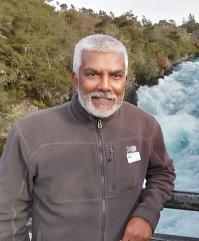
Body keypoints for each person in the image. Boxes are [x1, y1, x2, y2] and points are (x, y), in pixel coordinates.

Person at [0, 34, 175, 241]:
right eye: (92, 74)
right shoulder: (30, 133)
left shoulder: (145, 125)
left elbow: (163, 173)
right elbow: (6, 213)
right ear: (76, 78)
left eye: (116, 76)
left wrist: (147, 215)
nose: (105, 86)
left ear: (125, 80)